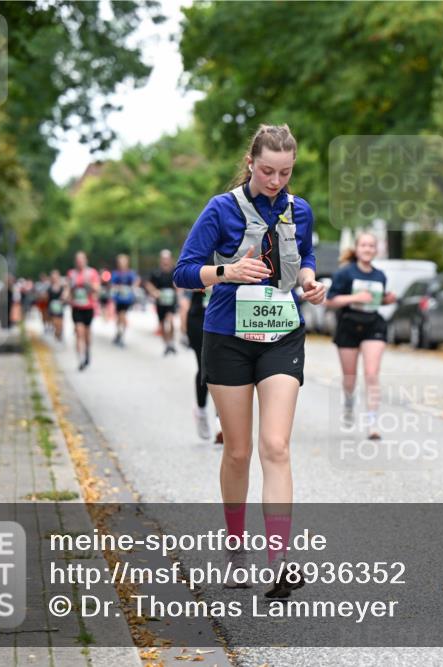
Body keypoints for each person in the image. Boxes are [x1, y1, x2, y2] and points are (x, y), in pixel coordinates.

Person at [173, 123, 325, 598]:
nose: (276, 181)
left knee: (275, 446)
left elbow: (305, 255)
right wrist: (226, 271)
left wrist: (310, 281)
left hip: (282, 335)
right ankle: (236, 551)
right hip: (228, 337)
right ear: (250, 164)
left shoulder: (300, 210)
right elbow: (182, 272)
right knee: (238, 451)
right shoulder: (220, 210)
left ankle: (280, 561)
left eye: (284, 172)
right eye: (267, 171)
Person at [325, 233, 397, 440]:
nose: (367, 249)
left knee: (372, 373)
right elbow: (329, 301)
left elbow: (375, 301)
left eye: (371, 246)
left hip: (372, 324)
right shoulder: (345, 273)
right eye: (363, 245)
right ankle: (349, 401)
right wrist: (355, 297)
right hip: (348, 324)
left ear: (375, 250)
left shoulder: (380, 275)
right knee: (350, 378)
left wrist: (387, 300)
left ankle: (372, 423)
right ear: (357, 249)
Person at [185, 286, 219, 442]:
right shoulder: (203, 261)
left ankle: (221, 421)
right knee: (205, 366)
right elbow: (184, 280)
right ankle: (201, 410)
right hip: (199, 318)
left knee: (225, 370)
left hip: (224, 316)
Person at [66, 251, 100, 371]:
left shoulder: (92, 273)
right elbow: (68, 289)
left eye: (82, 260)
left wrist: (88, 284)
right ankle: (80, 359)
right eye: (78, 260)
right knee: (79, 332)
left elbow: (97, 289)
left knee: (87, 334)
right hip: (76, 308)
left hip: (88, 307)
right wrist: (65, 297)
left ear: (86, 260)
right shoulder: (71, 274)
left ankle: (87, 351)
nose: (80, 262)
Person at [147, 250, 180, 356]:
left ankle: (171, 343)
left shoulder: (175, 271)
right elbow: (148, 284)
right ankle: (166, 344)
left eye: (167, 258)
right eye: (164, 259)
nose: (165, 261)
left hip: (171, 301)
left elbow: (180, 283)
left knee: (170, 320)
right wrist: (154, 291)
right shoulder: (156, 272)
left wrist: (178, 288)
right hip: (160, 301)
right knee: (161, 325)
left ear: (170, 259)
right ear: (161, 260)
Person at [111, 254, 139, 347]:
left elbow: (136, 281)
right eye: (120, 262)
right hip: (118, 299)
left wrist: (133, 286)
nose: (122, 264)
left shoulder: (130, 273)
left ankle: (121, 334)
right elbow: (112, 284)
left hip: (127, 299)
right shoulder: (116, 273)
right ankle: (119, 333)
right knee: (119, 317)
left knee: (122, 315)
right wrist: (118, 288)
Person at [47, 270, 66, 342]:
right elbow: (47, 297)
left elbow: (65, 295)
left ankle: (60, 333)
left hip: (60, 307)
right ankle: (57, 332)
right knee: (54, 322)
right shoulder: (49, 287)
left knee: (60, 322)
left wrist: (63, 299)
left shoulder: (62, 286)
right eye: (53, 277)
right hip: (52, 307)